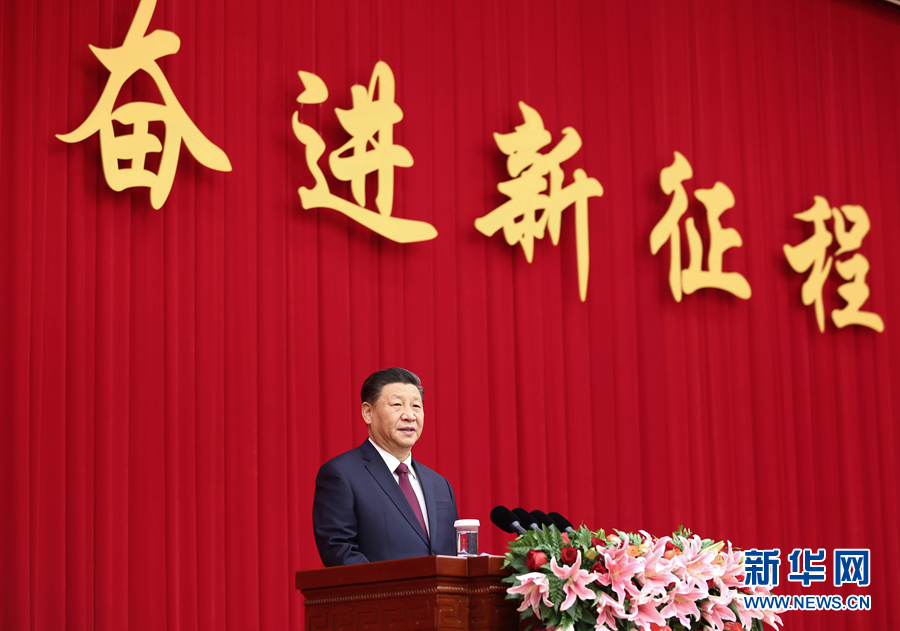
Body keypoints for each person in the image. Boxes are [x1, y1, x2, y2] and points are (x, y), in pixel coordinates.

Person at [312, 368, 460, 566]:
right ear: (368, 413)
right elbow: (340, 551)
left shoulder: (440, 484)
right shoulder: (342, 475)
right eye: (397, 405)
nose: (410, 416)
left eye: (416, 406)